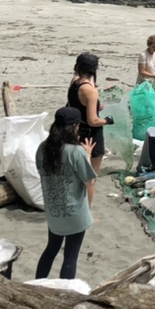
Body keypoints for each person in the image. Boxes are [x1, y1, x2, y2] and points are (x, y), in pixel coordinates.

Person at [34, 107, 97, 280]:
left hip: (54, 211)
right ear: (75, 127)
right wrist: (88, 155)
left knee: (51, 249)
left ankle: (36, 284)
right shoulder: (76, 152)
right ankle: (65, 292)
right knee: (70, 256)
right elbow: (89, 181)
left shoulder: (42, 148)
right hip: (75, 213)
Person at [67, 52, 113, 208]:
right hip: (90, 136)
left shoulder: (74, 82)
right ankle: (86, 212)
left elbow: (74, 105)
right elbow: (93, 121)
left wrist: (94, 105)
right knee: (90, 178)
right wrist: (107, 120)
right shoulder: (90, 90)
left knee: (75, 175)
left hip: (74, 132)